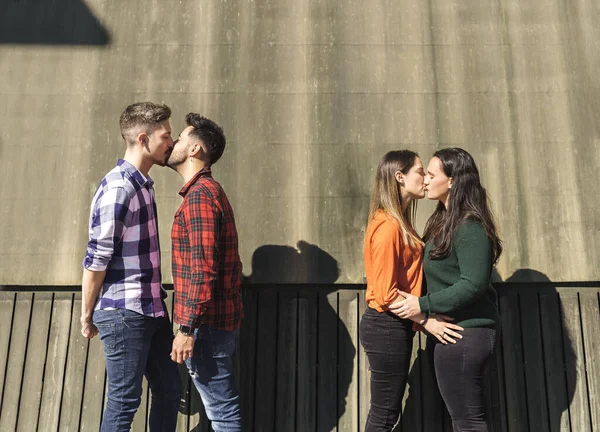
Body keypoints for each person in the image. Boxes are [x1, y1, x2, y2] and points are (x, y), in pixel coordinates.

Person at [81, 102, 182, 432]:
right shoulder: (119, 188)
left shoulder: (141, 184)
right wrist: (86, 314)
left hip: (151, 309)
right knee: (124, 402)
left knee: (168, 390)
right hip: (124, 312)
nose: (173, 141)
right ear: (143, 138)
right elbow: (97, 260)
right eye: (166, 135)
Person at [393, 148, 502, 431]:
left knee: (468, 422)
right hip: (453, 335)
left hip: (464, 334)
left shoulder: (469, 226)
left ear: (452, 180)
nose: (426, 181)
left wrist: (422, 305)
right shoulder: (444, 223)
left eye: (431, 174)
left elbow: (473, 284)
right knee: (463, 419)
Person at [360, 150, 464, 431]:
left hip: (393, 326)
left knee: (385, 412)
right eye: (420, 171)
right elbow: (384, 293)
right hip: (385, 326)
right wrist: (427, 319)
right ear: (399, 177)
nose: (426, 178)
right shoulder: (388, 227)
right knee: (383, 414)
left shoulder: (400, 223)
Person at [167, 113, 244, 432]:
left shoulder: (200, 197)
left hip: (205, 326)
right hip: (212, 323)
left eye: (181, 138)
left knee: (222, 413)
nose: (173, 143)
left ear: (195, 148)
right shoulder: (207, 192)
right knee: (221, 410)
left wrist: (187, 329)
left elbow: (202, 269)